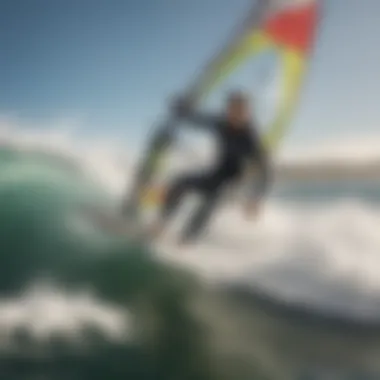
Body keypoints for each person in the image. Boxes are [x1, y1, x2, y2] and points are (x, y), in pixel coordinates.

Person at [150, 90, 271, 245]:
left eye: (240, 111)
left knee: (210, 199)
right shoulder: (222, 124)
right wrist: (181, 110)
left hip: (234, 182)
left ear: (246, 112)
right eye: (232, 109)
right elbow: (198, 120)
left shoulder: (250, 138)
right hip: (216, 173)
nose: (235, 114)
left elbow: (265, 172)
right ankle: (161, 223)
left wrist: (255, 199)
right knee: (179, 183)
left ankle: (187, 240)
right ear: (228, 110)